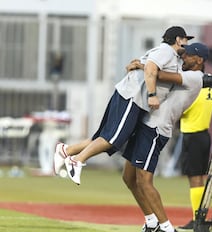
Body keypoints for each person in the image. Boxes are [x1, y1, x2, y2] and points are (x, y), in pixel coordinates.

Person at [53, 26, 194, 185]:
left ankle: (66, 150)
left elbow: (147, 66)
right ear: (177, 39)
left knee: (104, 137)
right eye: (185, 39)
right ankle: (76, 160)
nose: (187, 43)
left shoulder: (170, 55)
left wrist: (140, 65)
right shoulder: (167, 51)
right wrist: (152, 94)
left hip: (131, 97)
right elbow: (150, 68)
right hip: (132, 97)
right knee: (112, 139)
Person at [122, 42, 209, 232]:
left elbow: (160, 75)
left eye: (187, 55)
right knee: (129, 178)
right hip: (146, 124)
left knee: (144, 180)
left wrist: (143, 65)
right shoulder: (185, 71)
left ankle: (169, 230)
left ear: (199, 60)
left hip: (157, 128)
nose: (183, 58)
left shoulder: (196, 77)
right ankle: (152, 224)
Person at [178, 87, 212, 230]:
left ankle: (197, 218)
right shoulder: (211, 92)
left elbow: (179, 112)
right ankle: (200, 215)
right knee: (200, 177)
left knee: (194, 177)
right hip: (204, 136)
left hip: (191, 136)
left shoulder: (191, 93)